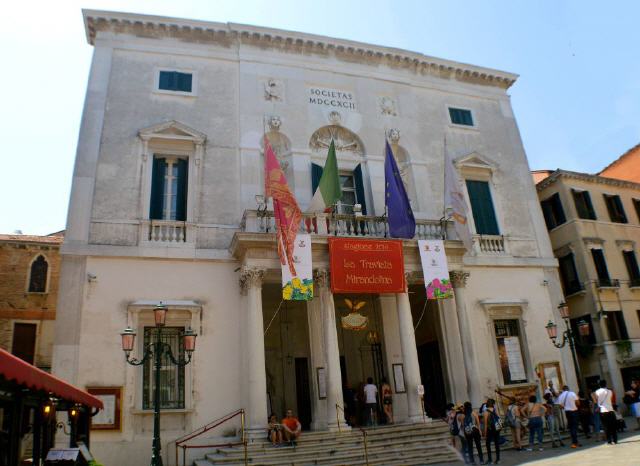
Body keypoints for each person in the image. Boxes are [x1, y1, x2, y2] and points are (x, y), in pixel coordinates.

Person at [594, 380, 617, 445]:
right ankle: (615, 440)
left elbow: (596, 400)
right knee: (613, 426)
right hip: (610, 409)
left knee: (606, 426)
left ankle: (609, 440)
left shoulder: (597, 392)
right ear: (606, 384)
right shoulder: (610, 391)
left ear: (599, 385)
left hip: (603, 410)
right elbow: (611, 400)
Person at [483, 399, 501, 465]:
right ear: (492, 404)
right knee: (497, 444)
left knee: (488, 444)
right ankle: (498, 459)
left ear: (487, 404)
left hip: (490, 429)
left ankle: (490, 460)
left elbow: (485, 424)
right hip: (496, 428)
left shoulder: (485, 412)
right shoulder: (495, 410)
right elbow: (499, 418)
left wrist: (484, 434)